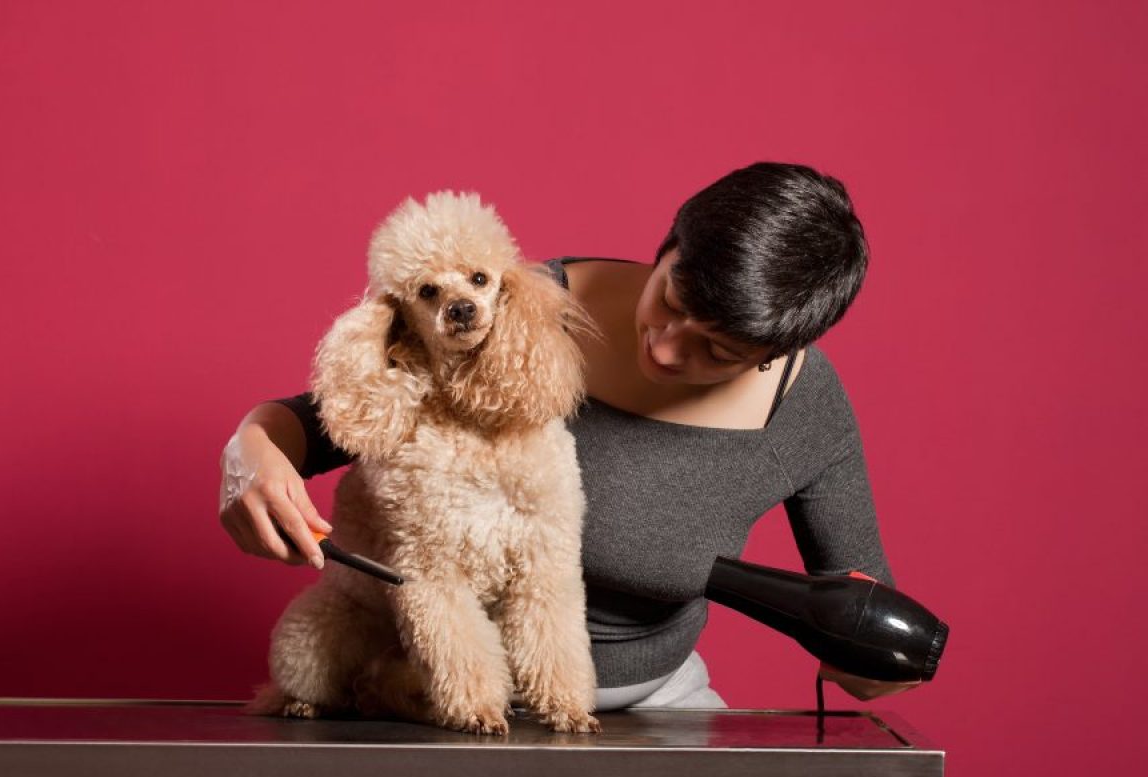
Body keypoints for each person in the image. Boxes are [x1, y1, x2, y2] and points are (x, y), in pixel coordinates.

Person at [218, 162, 922, 710]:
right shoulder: (517, 305)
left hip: (659, 709)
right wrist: (250, 449)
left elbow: (868, 636)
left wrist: (876, 667)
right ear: (670, 245)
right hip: (450, 698)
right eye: (671, 300)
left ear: (776, 353)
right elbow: (307, 429)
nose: (671, 350)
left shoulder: (806, 410)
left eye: (720, 351)